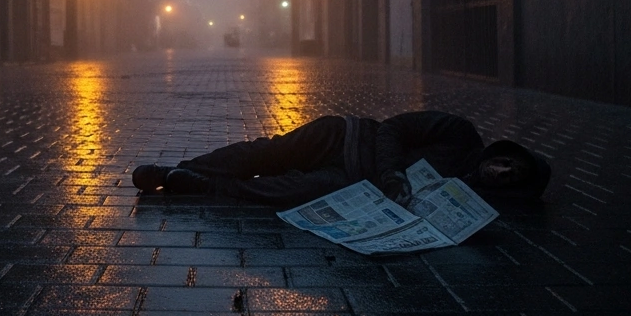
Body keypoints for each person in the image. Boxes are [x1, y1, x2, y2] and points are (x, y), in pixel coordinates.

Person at [131, 111, 551, 209]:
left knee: (294, 191)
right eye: (509, 162)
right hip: (347, 135)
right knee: (268, 152)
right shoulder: (459, 133)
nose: (503, 170)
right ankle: (187, 166)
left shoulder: (467, 197)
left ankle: (200, 185)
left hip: (351, 181)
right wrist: (391, 174)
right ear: (503, 152)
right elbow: (393, 129)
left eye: (512, 176)